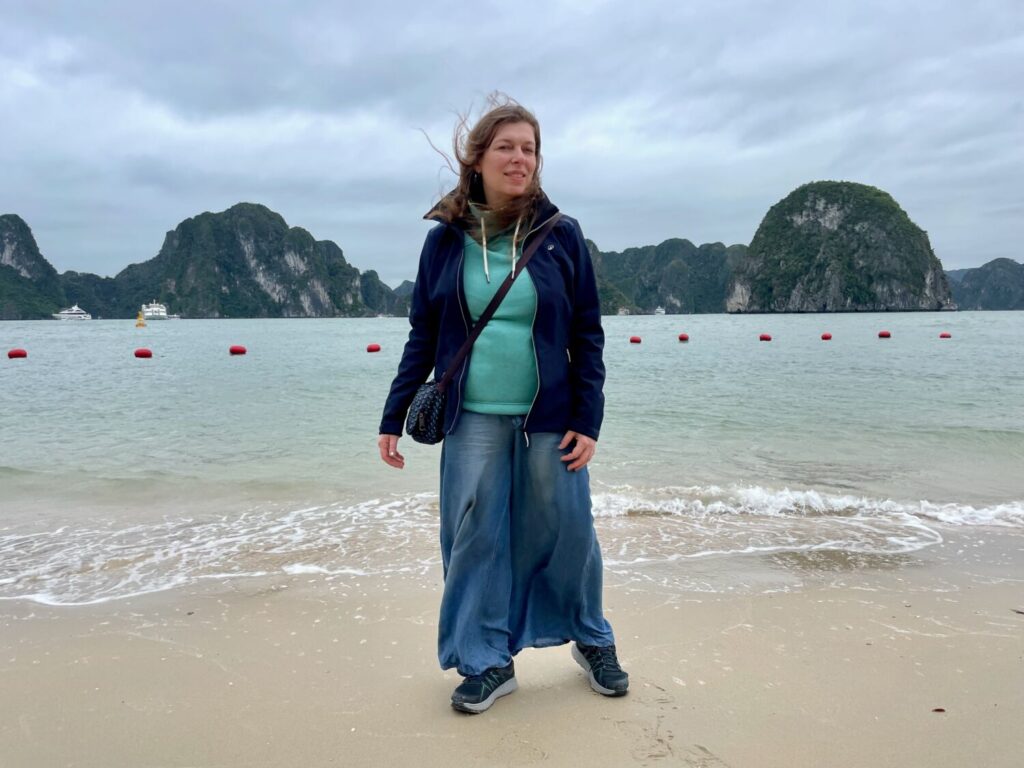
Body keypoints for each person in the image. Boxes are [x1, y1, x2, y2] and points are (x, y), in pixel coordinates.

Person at [378, 96, 627, 714]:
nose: (520, 159)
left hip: (551, 416)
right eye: (506, 147)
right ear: (478, 159)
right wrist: (393, 414)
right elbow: (422, 334)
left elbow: (587, 334)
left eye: (530, 149)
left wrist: (588, 419)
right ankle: (486, 659)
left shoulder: (560, 234)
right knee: (474, 537)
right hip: (472, 417)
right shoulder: (444, 241)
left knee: (569, 528)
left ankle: (592, 637)